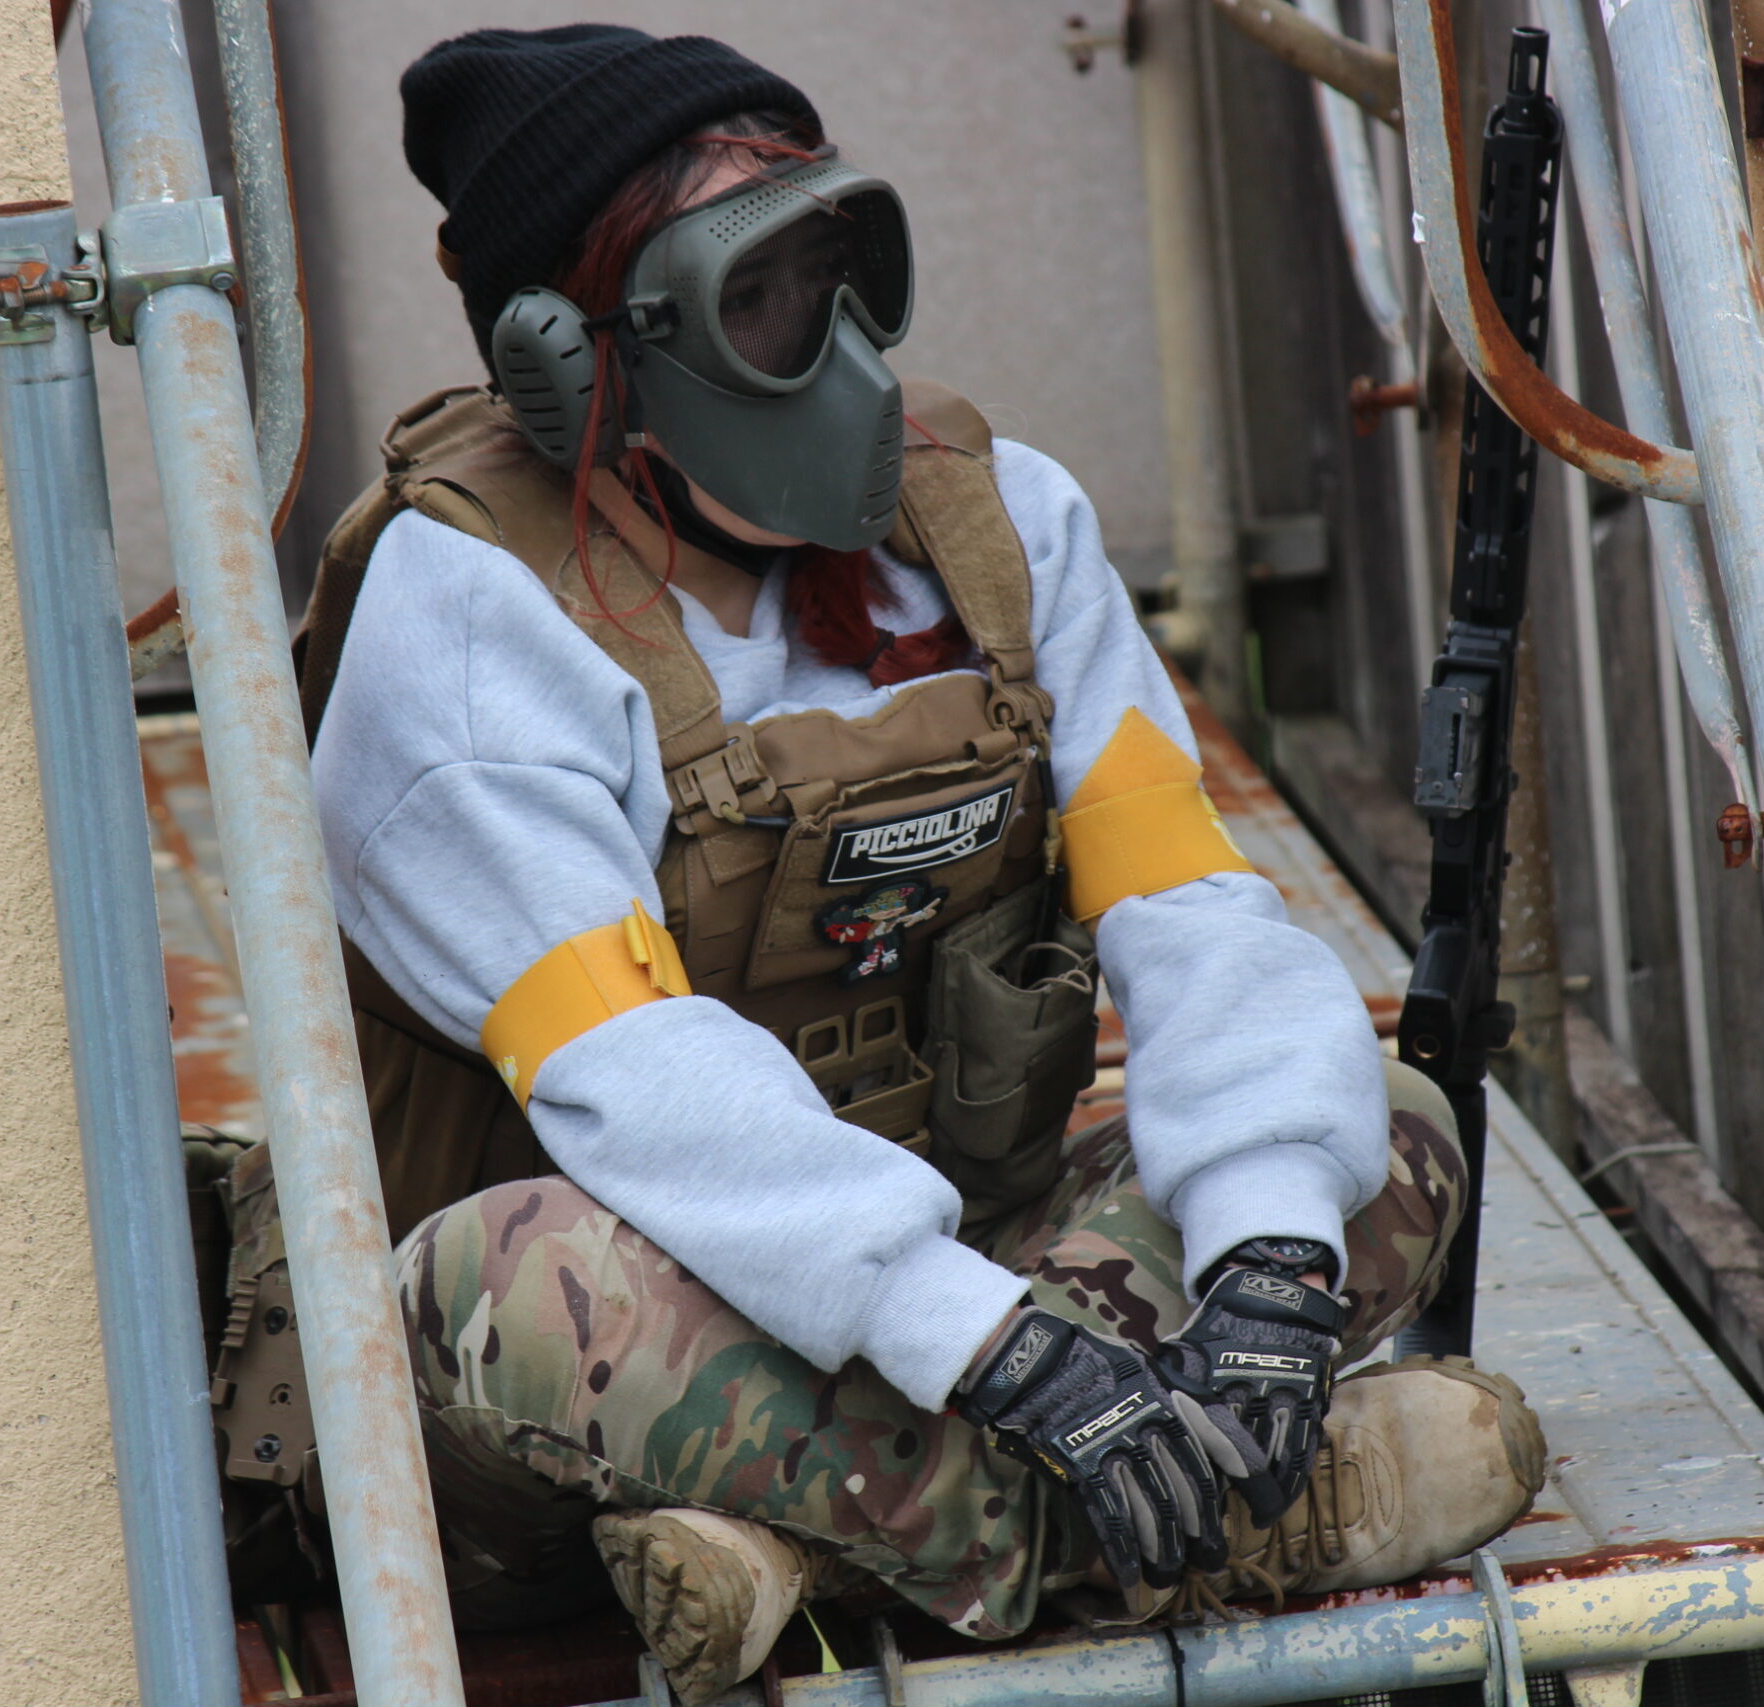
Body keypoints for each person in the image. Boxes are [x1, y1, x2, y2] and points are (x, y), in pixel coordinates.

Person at [272, 23, 1545, 1702]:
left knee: (1368, 1131)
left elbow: (1190, 907)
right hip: (598, 1373)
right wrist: (1005, 1354)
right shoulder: (466, 622)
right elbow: (639, 1081)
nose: (836, 350)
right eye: (759, 300)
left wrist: (1264, 1269)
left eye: (841, 274)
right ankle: (1251, 1519)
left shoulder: (995, 523)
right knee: (517, 1275)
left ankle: (807, 1556)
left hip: (946, 1289)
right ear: (581, 365)